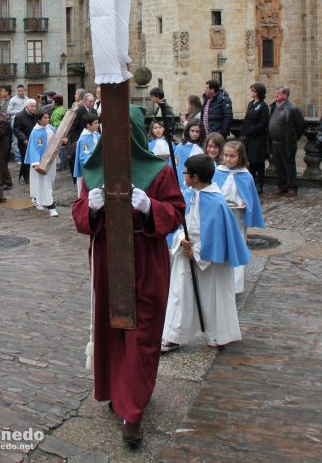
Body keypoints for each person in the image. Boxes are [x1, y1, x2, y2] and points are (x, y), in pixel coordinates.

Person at [72, 106, 185, 448]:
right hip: (108, 260)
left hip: (145, 260)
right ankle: (116, 392)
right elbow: (79, 217)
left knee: (143, 335)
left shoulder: (160, 172)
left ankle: (133, 412)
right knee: (113, 332)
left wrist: (152, 208)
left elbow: (177, 211)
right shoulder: (94, 170)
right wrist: (89, 208)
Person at [161, 154, 250, 353]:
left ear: (194, 177)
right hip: (187, 252)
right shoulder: (190, 194)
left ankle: (219, 334)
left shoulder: (216, 201)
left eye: (185, 172)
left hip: (209, 259)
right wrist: (180, 240)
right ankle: (174, 336)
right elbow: (184, 224)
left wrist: (199, 253)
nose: (183, 175)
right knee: (180, 293)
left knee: (214, 297)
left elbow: (216, 234)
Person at [213, 141, 265, 294]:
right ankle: (219, 283)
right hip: (221, 217)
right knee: (221, 247)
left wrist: (245, 205)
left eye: (232, 156)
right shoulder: (218, 172)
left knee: (236, 248)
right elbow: (213, 193)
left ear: (240, 157)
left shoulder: (245, 176)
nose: (228, 159)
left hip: (237, 218)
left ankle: (235, 287)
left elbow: (250, 199)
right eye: (226, 156)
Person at [268, 85, 305, 198]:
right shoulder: (274, 106)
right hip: (275, 142)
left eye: (278, 93)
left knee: (289, 166)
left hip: (287, 142)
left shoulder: (292, 108)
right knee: (278, 166)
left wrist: (293, 138)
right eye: (275, 92)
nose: (276, 95)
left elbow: (301, 126)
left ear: (285, 95)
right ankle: (282, 185)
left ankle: (292, 187)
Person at [25, 109, 59, 215]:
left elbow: (57, 137)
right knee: (45, 182)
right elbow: (33, 148)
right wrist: (35, 163)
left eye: (48, 117)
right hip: (40, 162)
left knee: (50, 181)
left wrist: (63, 141)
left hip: (51, 159)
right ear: (39, 120)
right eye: (45, 118)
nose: (48, 119)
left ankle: (36, 197)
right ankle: (51, 206)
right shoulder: (35, 132)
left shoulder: (50, 128)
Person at [241, 83, 269, 194]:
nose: (251, 91)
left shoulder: (263, 106)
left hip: (258, 138)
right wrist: (244, 132)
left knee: (259, 161)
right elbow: (246, 119)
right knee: (251, 161)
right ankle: (251, 183)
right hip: (249, 138)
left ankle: (260, 184)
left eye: (253, 90)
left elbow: (263, 123)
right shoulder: (251, 104)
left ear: (258, 92)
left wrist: (252, 130)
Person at [174, 118, 205, 190]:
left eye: (197, 131)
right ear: (188, 131)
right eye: (192, 131)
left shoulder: (204, 147)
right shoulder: (180, 148)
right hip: (184, 185)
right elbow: (178, 168)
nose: (195, 134)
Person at [73, 114, 101, 197]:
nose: (98, 125)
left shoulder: (96, 134)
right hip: (88, 171)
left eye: (98, 123)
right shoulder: (84, 139)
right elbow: (84, 157)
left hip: (96, 168)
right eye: (95, 123)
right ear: (88, 125)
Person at [13, 98, 37, 183]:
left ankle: (29, 174)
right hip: (24, 142)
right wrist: (24, 139)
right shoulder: (19, 116)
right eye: (32, 106)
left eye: (35, 106)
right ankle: (27, 177)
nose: (34, 108)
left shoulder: (35, 115)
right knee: (26, 159)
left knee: (32, 158)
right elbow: (16, 130)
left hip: (34, 141)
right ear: (27, 106)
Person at [7, 85, 29, 163]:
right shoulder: (13, 99)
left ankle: (25, 157)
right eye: (19, 91)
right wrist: (19, 112)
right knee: (16, 140)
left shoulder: (27, 99)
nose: (20, 92)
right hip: (15, 121)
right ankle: (18, 158)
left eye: (21, 90)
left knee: (25, 138)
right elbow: (8, 111)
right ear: (17, 91)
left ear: (24, 90)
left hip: (25, 121)